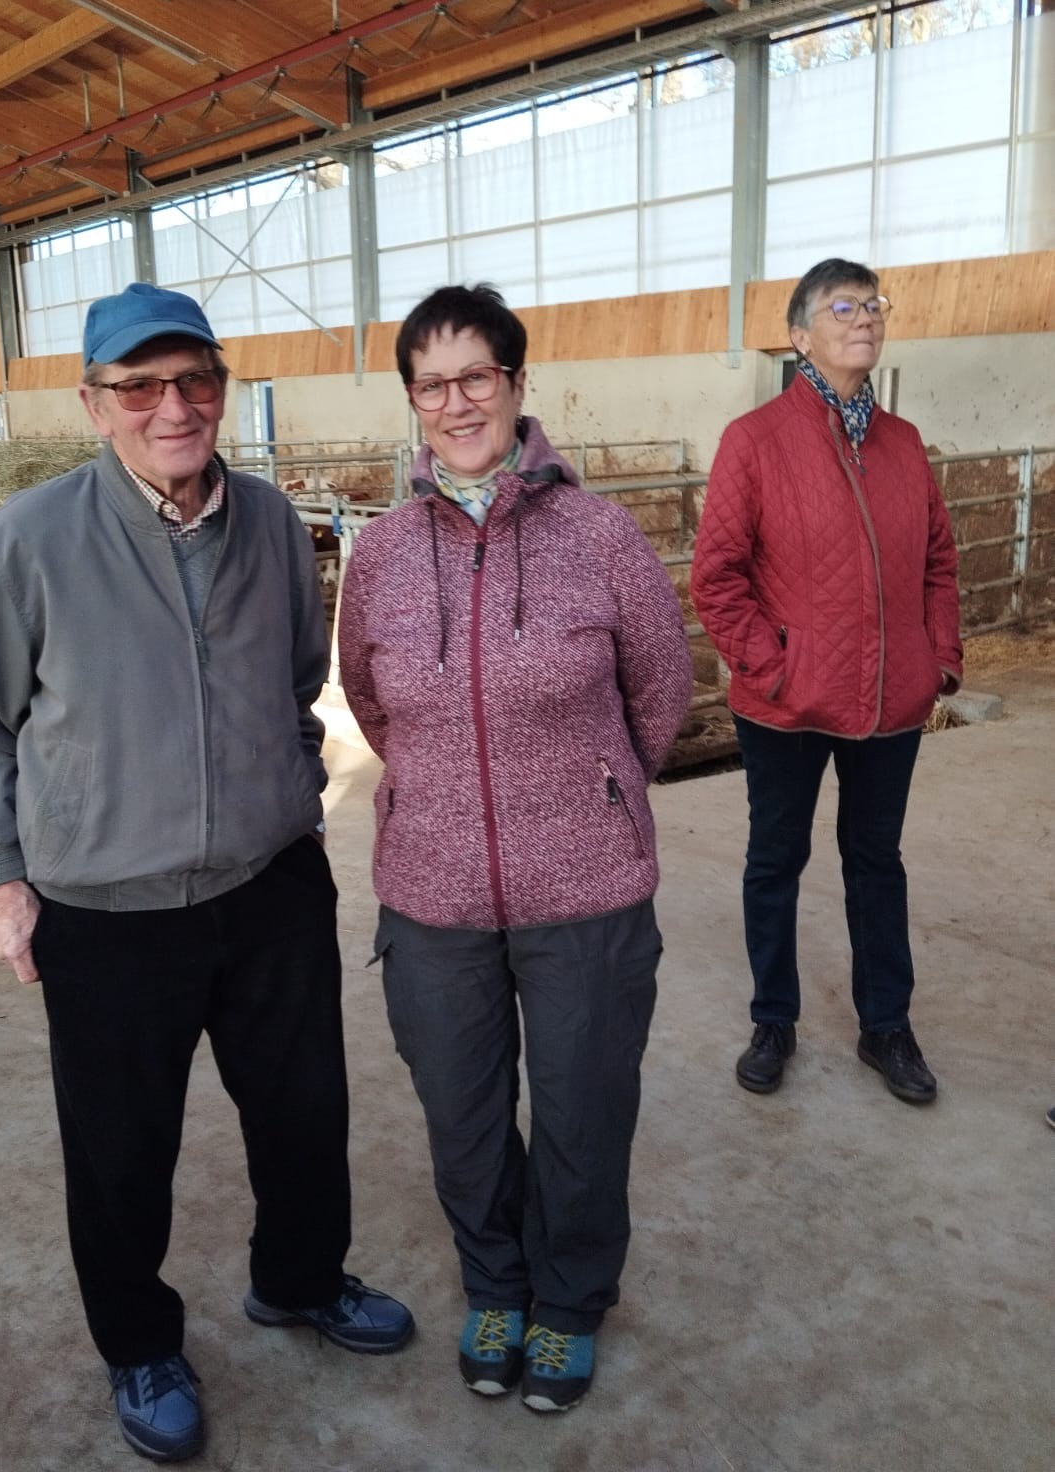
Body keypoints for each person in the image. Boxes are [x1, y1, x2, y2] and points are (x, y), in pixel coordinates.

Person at [0, 283, 412, 1464]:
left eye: (194, 380)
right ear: (93, 404)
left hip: (268, 886)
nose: (173, 407)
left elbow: (299, 682)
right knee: (120, 1150)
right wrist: (1, 875)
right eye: (140, 386)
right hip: (106, 909)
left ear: (222, 389)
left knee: (305, 1115)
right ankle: (140, 1343)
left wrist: (291, 802)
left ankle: (300, 1279)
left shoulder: (270, 521)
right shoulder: (30, 538)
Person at [338, 284, 693, 1413]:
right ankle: (496, 1285)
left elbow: (662, 690)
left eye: (476, 377)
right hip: (432, 891)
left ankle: (570, 1301)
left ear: (517, 384)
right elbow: (370, 703)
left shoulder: (601, 536)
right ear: (412, 401)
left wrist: (594, 792)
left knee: (585, 1108)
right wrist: (437, 795)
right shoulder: (383, 553)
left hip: (586, 887)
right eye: (431, 385)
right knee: (462, 1110)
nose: (456, 403)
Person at [690, 257, 962, 1107]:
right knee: (776, 858)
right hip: (786, 703)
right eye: (843, 307)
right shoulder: (755, 440)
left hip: (890, 699)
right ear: (800, 335)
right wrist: (773, 666)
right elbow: (716, 576)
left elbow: (940, 561)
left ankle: (887, 1025)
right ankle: (774, 1019)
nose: (866, 317)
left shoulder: (903, 443)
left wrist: (938, 657)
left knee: (876, 861)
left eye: (873, 305)